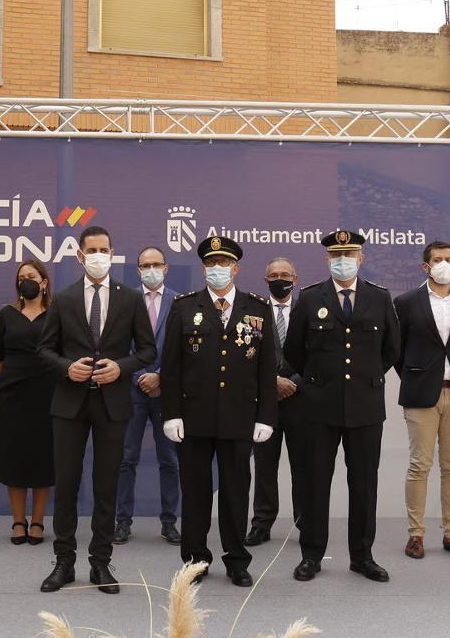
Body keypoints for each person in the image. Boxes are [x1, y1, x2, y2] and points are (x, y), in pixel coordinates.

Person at [37, 225, 157, 595]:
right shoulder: (64, 298)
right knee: (68, 484)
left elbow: (148, 351)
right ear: (80, 256)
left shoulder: (131, 298)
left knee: (106, 485)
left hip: (113, 404)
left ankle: (101, 563)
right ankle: (64, 563)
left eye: (104, 249)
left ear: (112, 252)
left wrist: (122, 367)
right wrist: (65, 367)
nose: (98, 255)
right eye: (92, 250)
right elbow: (44, 350)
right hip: (69, 404)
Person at [161, 236, 278, 587]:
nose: (217, 270)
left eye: (223, 264)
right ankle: (195, 559)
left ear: (236, 268)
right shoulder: (184, 307)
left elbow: (266, 367)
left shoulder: (256, 307)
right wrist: (171, 413)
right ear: (203, 269)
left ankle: (237, 560)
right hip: (194, 417)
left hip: (240, 417)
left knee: (235, 492)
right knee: (195, 492)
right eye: (211, 264)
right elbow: (171, 367)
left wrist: (266, 416)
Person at [285, 229, 399, 584]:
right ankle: (311, 555)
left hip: (365, 407)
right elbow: (293, 351)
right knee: (314, 483)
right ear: (327, 260)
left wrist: (365, 378)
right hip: (318, 406)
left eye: (350, 254)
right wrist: (320, 380)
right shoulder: (309, 297)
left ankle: (362, 556)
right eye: (336, 256)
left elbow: (391, 350)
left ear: (362, 258)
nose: (343, 261)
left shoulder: (379, 298)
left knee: (364, 484)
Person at [394, 241, 450, 562]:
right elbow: (396, 350)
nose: (444, 264)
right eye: (437, 260)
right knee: (419, 465)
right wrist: (416, 375)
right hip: (420, 394)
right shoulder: (406, 302)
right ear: (425, 267)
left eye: (448, 259)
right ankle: (416, 534)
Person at [0, 260, 56, 545]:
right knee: (13, 457)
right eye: (21, 277)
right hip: (12, 395)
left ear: (44, 282)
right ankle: (18, 520)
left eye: (32, 276)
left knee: (43, 457)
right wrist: (17, 378)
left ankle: (38, 521)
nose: (26, 280)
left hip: (48, 395)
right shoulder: (6, 314)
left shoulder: (56, 314)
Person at [114, 246, 181, 546]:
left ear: (166, 268)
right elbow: (119, 344)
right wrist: (141, 375)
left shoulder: (180, 303)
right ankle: (122, 523)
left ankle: (169, 522)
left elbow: (183, 349)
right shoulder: (126, 301)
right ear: (138, 269)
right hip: (132, 389)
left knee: (169, 460)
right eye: (145, 265)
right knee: (127, 458)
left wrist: (161, 376)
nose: (151, 269)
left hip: (167, 392)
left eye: (156, 264)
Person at [247, 256, 305, 546]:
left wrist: (293, 381)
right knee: (265, 466)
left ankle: (305, 522)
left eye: (285, 274)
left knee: (303, 466)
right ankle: (262, 523)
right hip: (264, 401)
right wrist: (272, 381)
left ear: (295, 279)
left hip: (301, 400)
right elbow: (245, 356)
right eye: (274, 275)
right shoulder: (253, 312)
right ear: (266, 280)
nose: (279, 278)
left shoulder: (308, 309)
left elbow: (317, 354)